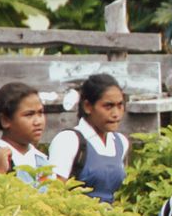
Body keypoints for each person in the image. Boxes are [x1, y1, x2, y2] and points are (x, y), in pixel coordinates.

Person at [47, 74, 131, 203]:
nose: (116, 114)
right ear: (87, 106)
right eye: (108, 106)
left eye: (120, 105)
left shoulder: (120, 142)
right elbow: (54, 194)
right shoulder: (68, 141)